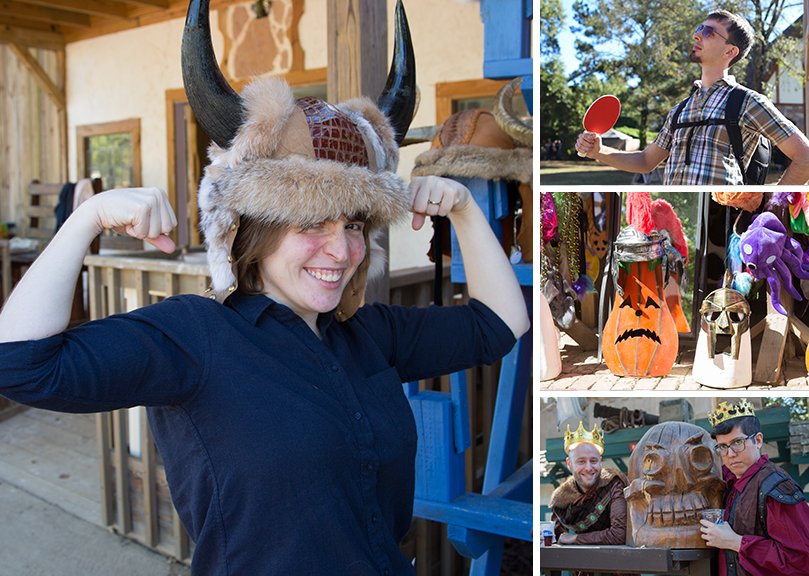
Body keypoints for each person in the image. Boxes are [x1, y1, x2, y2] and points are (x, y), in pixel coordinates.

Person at [0, 1, 530, 575]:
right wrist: (89, 217)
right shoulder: (195, 336)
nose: (342, 251)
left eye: (353, 225)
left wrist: (466, 209)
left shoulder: (368, 332)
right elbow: (19, 362)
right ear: (255, 231)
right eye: (310, 224)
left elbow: (500, 326)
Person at [575, 10, 809, 185]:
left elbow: (804, 156)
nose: (697, 35)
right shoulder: (679, 110)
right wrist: (599, 151)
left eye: (708, 32)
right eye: (699, 28)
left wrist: (770, 204)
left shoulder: (749, 102)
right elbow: (646, 161)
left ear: (730, 51)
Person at [701, 400, 809, 576]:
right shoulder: (731, 482)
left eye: (737, 442)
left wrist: (736, 542)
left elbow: (800, 561)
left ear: (758, 440)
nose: (730, 454)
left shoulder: (776, 486)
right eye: (722, 447)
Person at [550, 422, 627, 546]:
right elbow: (558, 536)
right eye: (581, 461)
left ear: (600, 461)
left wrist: (576, 538)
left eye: (593, 461)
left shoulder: (613, 484)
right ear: (569, 464)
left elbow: (619, 535)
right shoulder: (561, 498)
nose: (588, 468)